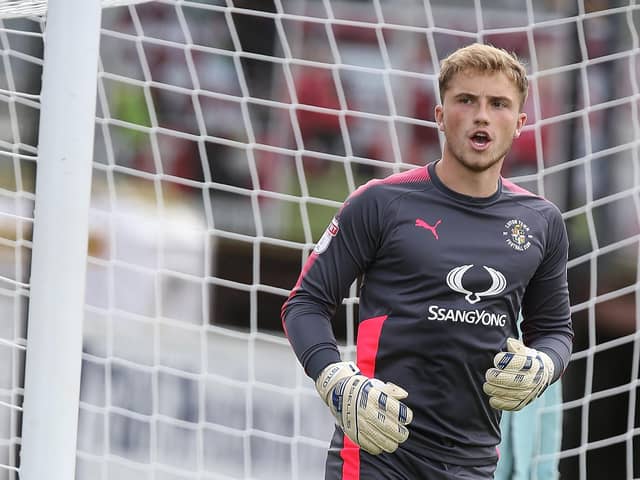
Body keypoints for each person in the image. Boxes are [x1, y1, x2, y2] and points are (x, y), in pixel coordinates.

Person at [281, 43, 573, 480]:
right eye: (466, 100)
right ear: (439, 115)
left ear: (519, 124)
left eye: (498, 104)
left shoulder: (541, 222)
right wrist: (335, 380)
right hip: (377, 456)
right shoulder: (381, 202)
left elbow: (553, 330)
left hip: (473, 465)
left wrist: (544, 364)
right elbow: (304, 303)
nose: (482, 115)